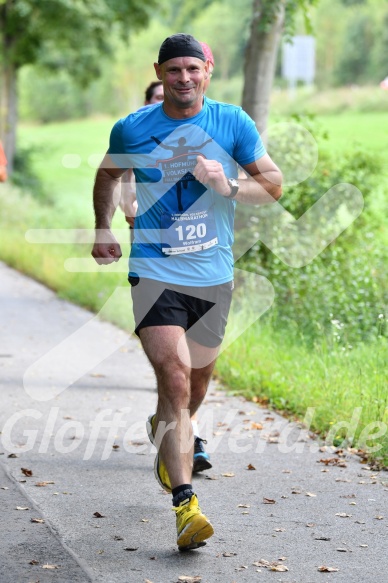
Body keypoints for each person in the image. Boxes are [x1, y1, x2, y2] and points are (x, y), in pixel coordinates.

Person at [91, 33, 282, 551]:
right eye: (173, 70)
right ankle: (185, 505)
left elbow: (274, 184)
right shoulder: (134, 127)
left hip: (214, 273)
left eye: (192, 69)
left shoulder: (232, 123)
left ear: (208, 71)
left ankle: (165, 426)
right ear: (160, 70)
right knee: (174, 378)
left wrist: (229, 186)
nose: (183, 78)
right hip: (154, 269)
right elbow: (107, 174)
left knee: (194, 390)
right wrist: (104, 227)